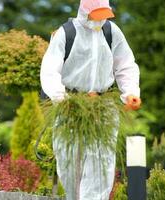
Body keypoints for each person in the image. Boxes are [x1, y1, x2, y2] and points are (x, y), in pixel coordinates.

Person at [40, 0, 141, 199]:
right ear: (84, 12)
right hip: (70, 105)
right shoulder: (66, 33)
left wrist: (130, 92)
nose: (101, 20)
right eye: (97, 15)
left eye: (104, 14)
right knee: (69, 162)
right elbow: (50, 71)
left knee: (100, 162)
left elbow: (126, 65)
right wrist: (63, 101)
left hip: (103, 107)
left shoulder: (112, 32)